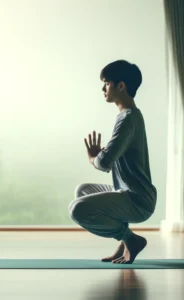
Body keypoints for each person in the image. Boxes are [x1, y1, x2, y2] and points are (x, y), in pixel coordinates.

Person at [68, 60, 157, 264]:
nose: (103, 88)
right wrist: (102, 154)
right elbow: (112, 156)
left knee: (77, 209)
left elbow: (104, 163)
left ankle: (130, 240)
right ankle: (124, 242)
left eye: (107, 82)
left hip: (138, 201)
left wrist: (93, 157)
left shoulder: (127, 119)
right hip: (129, 194)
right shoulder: (128, 116)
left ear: (121, 86)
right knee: (83, 190)